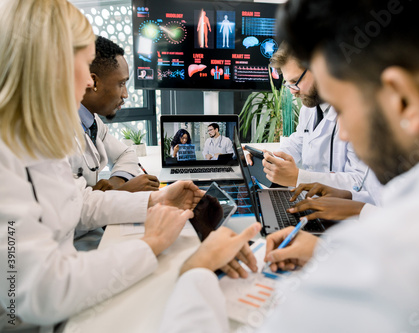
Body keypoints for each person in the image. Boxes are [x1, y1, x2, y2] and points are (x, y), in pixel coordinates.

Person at [158, 0, 419, 331]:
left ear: (404, 100)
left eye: (342, 106)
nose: (345, 133)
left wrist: (194, 272)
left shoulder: (387, 264)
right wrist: (324, 248)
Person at [0, 1, 203, 330]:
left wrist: (155, 200)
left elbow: (80, 202)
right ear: (53, 66)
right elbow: (40, 291)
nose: (86, 83)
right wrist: (150, 243)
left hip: (68, 295)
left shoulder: (36, 137)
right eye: (83, 64)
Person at [246, 42, 380, 206]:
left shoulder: (357, 109)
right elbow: (300, 140)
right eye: (288, 84)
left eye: (295, 81)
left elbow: (359, 182)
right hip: (314, 203)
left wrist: (298, 177)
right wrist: (269, 159)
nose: (292, 90)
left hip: (345, 213)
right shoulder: (309, 107)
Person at [68, 36, 159, 192]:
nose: (125, 94)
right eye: (121, 84)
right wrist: (123, 190)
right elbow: (72, 206)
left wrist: (117, 182)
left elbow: (125, 153)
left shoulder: (92, 122)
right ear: (94, 82)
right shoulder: (57, 130)